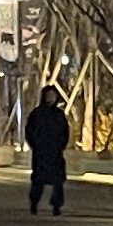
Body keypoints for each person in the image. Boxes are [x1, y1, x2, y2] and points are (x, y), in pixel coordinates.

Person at [24, 81, 70, 215]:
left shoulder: (59, 115)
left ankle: (56, 206)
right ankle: (34, 203)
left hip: (55, 152)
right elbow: (30, 131)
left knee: (58, 181)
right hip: (41, 153)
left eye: (53, 96)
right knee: (38, 180)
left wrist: (61, 146)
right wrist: (35, 145)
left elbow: (65, 132)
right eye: (48, 95)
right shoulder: (37, 114)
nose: (51, 98)